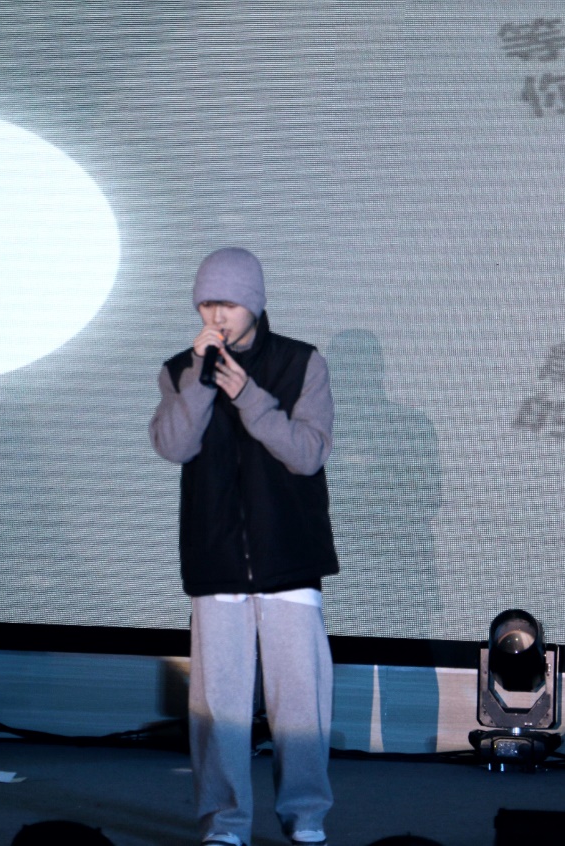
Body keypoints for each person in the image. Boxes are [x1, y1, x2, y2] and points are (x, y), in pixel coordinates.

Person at [149, 247, 339, 846]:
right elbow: (173, 445)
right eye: (207, 304)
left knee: (301, 703)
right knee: (219, 707)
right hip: (216, 556)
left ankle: (306, 816)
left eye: (227, 303)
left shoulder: (300, 362)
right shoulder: (181, 368)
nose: (216, 315)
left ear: (253, 303)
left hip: (290, 554)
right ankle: (224, 822)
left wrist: (250, 397)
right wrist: (201, 383)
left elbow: (308, 453)